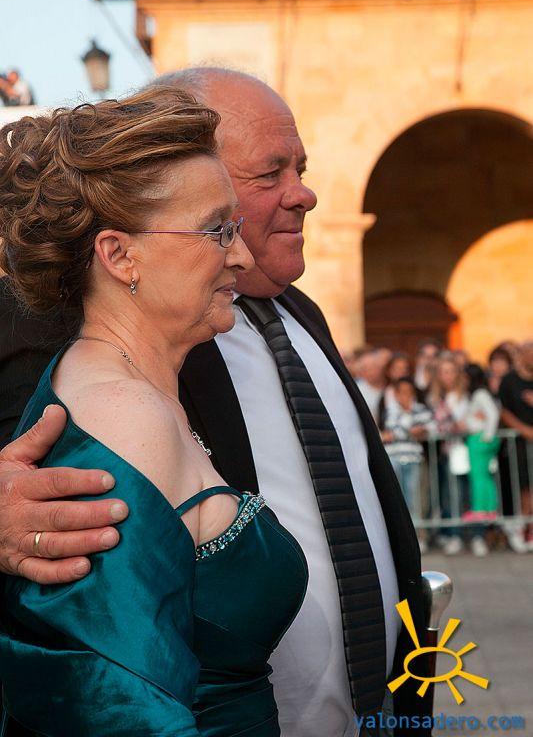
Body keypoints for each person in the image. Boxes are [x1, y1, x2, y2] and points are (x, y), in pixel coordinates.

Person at [0, 68, 429, 737]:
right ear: (120, 252)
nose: (304, 194)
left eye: (301, 168)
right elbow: (113, 689)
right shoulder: (68, 341)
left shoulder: (302, 315)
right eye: (268, 174)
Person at [381, 376, 434, 552]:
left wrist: (408, 428)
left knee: (415, 499)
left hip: (414, 459)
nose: (406, 396)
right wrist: (411, 426)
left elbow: (431, 426)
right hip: (395, 459)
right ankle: (402, 539)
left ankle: (418, 536)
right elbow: (392, 429)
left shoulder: (420, 409)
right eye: (402, 392)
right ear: (396, 394)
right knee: (398, 499)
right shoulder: (391, 410)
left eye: (409, 392)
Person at [426, 352, 470, 555]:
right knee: (444, 494)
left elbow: (464, 423)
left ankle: (457, 534)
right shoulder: (433, 398)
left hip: (460, 450)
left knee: (458, 493)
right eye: (443, 372)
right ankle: (447, 532)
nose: (447, 376)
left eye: (451, 371)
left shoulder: (464, 397)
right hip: (441, 452)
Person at [462, 364, 501, 558]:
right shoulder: (480, 394)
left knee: (479, 477)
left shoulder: (479, 394)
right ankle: (488, 508)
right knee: (483, 476)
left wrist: (487, 436)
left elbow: (493, 414)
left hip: (479, 439)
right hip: (479, 438)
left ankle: (482, 509)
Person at [498, 341, 533, 552]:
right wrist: (525, 430)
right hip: (518, 444)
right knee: (524, 487)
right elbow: (504, 412)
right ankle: (522, 529)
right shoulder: (509, 381)